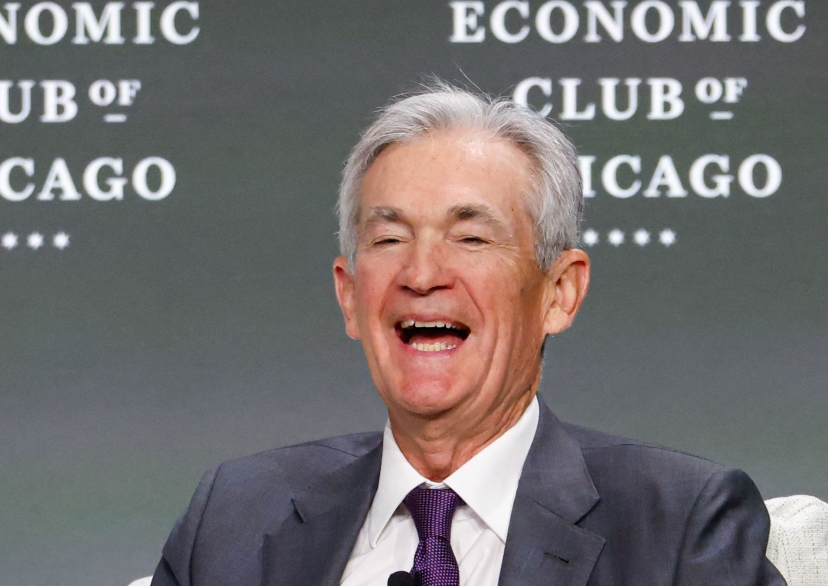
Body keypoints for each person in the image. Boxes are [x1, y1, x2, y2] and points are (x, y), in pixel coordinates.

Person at [151, 82, 784, 586]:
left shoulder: (677, 526)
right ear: (349, 296)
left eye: (471, 238)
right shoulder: (234, 516)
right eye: (389, 239)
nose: (422, 274)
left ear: (559, 293)